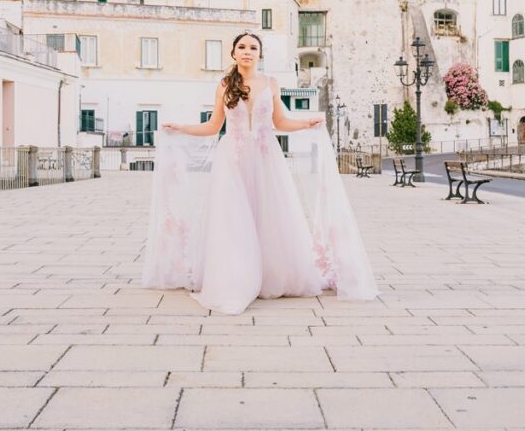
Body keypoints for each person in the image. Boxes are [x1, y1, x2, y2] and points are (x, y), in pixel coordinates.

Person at [142, 31, 378, 315]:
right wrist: (182, 128)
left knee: (270, 216)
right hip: (233, 159)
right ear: (233, 53)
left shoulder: (271, 83)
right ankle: (236, 277)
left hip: (267, 158)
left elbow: (281, 121)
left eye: (253, 47)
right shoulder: (224, 85)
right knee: (233, 219)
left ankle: (270, 275)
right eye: (241, 47)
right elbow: (213, 127)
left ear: (259, 54)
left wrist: (305, 125)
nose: (247, 51)